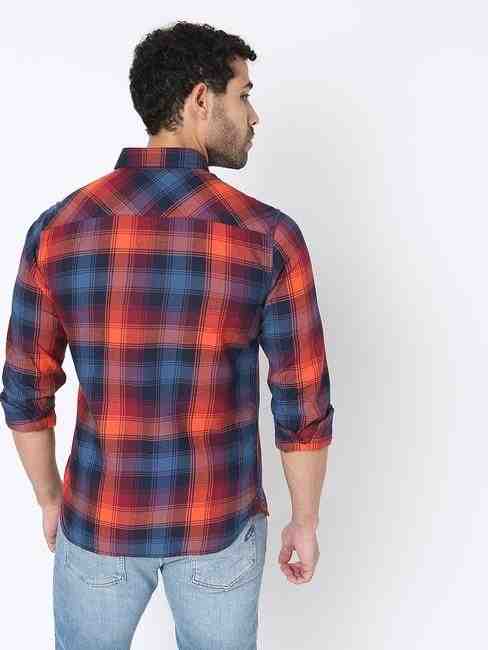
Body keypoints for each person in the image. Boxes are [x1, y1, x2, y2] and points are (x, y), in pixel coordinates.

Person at [0, 20, 334, 650]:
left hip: (97, 522)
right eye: (243, 94)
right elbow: (303, 402)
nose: (254, 115)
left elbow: (24, 391)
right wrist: (305, 520)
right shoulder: (267, 236)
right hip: (218, 525)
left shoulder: (58, 229)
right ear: (200, 99)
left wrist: (50, 499)